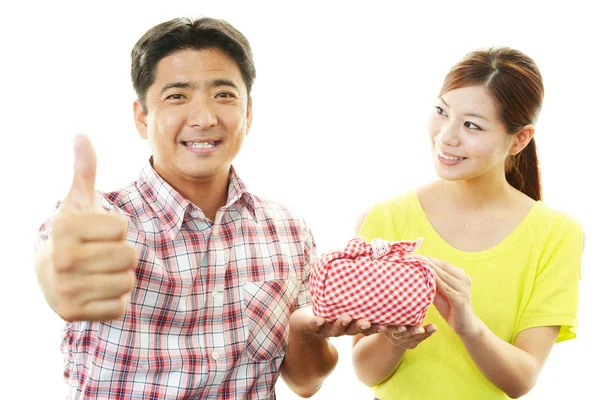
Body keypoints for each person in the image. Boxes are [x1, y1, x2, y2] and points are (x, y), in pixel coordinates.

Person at [34, 17, 382, 399]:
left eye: (224, 95)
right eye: (177, 96)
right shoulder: (102, 221)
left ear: (248, 114)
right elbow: (61, 272)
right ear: (141, 117)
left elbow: (305, 382)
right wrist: (61, 274)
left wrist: (303, 331)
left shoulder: (288, 230)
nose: (203, 118)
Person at [351, 47, 585, 399]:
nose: (446, 136)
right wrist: (395, 338)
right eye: (442, 111)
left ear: (519, 139)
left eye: (471, 125)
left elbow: (521, 379)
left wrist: (468, 325)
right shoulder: (385, 220)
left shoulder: (555, 234)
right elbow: (366, 372)